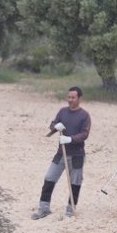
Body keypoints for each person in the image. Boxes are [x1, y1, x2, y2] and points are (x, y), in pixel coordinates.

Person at [31, 87, 91, 219]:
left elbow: (85, 134)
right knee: (49, 177)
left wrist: (71, 139)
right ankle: (44, 208)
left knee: (75, 182)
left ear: (79, 99)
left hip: (77, 155)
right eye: (68, 97)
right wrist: (55, 126)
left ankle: (70, 210)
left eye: (73, 97)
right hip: (61, 153)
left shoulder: (84, 115)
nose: (70, 100)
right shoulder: (62, 112)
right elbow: (53, 124)